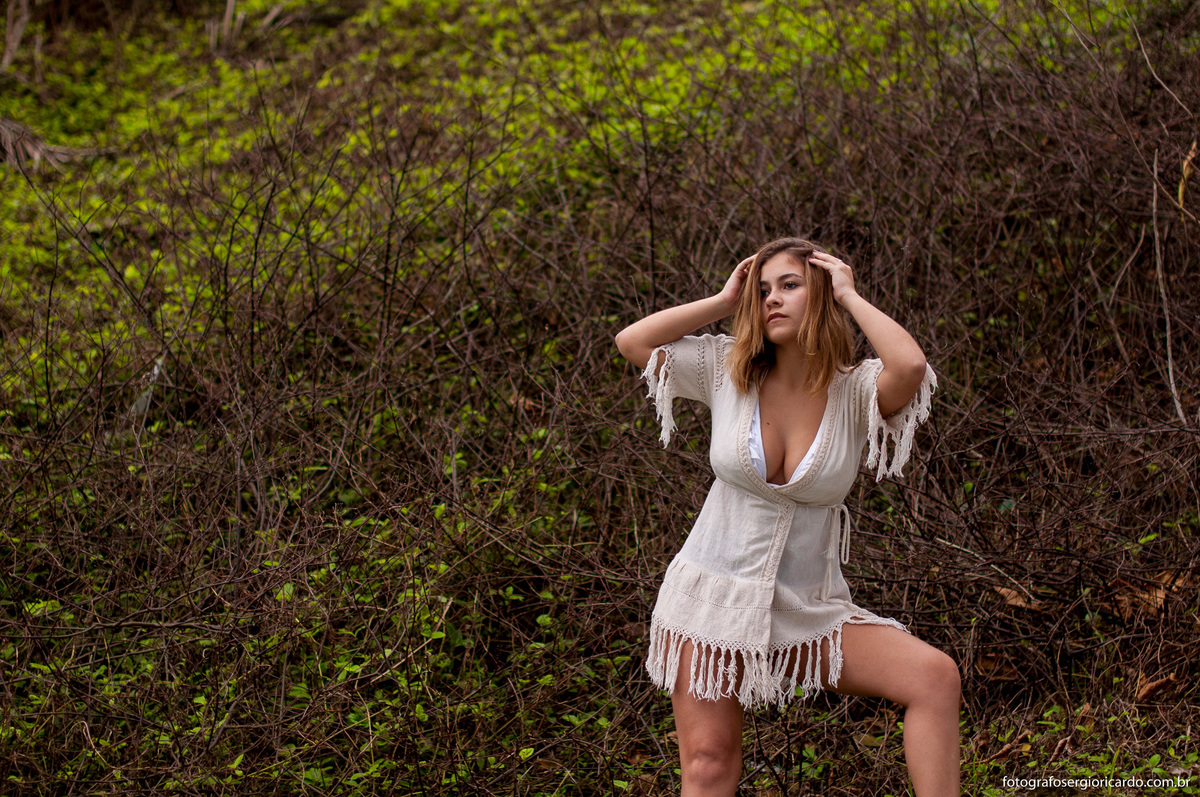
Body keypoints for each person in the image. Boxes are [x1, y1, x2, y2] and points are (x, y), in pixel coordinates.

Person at [614, 238, 960, 797]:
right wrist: (725, 300)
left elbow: (911, 365)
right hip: (711, 597)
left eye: (791, 286)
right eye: (764, 289)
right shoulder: (728, 370)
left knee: (934, 677)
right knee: (707, 762)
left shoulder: (856, 391)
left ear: (822, 294)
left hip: (807, 608)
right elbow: (633, 341)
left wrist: (849, 294)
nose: (772, 299)